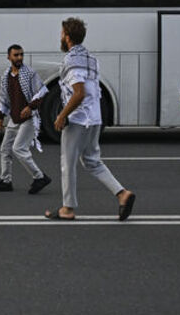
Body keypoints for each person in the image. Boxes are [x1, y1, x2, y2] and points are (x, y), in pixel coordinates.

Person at [45, 18, 136, 221]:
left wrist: (62, 115)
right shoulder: (91, 59)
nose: (60, 37)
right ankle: (122, 194)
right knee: (92, 161)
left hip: (78, 119)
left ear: (67, 37)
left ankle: (67, 208)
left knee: (67, 164)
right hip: (95, 118)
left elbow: (79, 93)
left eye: (61, 34)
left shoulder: (72, 60)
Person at [0, 44, 52, 194]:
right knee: (5, 149)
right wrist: (0, 117)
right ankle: (5, 181)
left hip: (29, 118)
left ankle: (39, 177)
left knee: (18, 148)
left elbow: (42, 91)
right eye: (16, 55)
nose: (19, 58)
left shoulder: (29, 73)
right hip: (14, 118)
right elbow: (4, 98)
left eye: (21, 54)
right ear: (8, 57)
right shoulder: (6, 76)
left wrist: (30, 107)